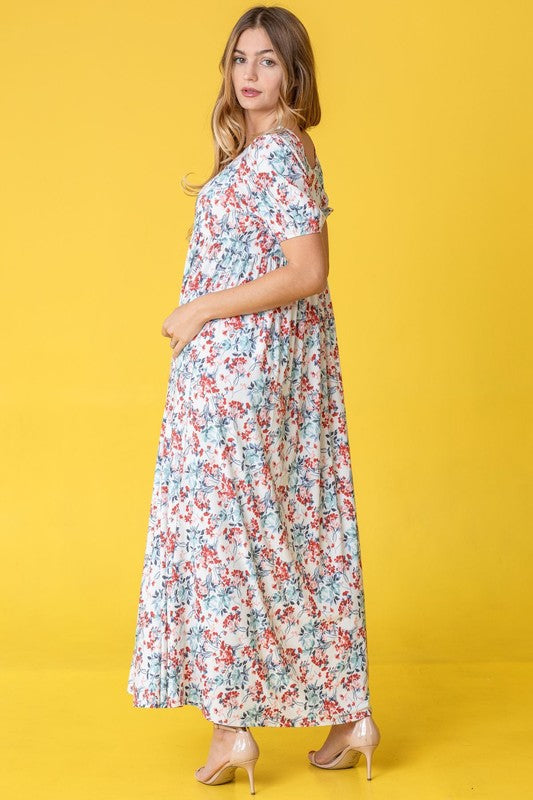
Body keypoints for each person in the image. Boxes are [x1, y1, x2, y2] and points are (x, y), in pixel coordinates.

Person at [127, 5, 381, 793]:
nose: (248, 74)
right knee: (293, 536)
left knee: (228, 542)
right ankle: (350, 716)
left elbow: (308, 273)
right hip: (247, 377)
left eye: (267, 61)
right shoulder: (277, 153)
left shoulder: (277, 156)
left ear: (294, 74)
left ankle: (230, 728)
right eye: (239, 58)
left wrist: (199, 309)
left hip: (236, 382)